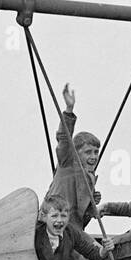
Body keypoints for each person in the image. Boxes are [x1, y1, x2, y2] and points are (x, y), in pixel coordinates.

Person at [45, 84, 102, 229]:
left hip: (74, 230)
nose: (94, 156)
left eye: (96, 152)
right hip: (53, 225)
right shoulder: (67, 163)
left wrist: (91, 204)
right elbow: (64, 138)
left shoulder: (90, 178)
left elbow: (81, 216)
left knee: (99, 251)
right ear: (76, 153)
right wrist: (69, 110)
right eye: (88, 152)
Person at [34, 195, 112, 260]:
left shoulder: (70, 231)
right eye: (54, 216)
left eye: (63, 216)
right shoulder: (36, 234)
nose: (59, 220)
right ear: (43, 216)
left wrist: (104, 250)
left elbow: (90, 251)